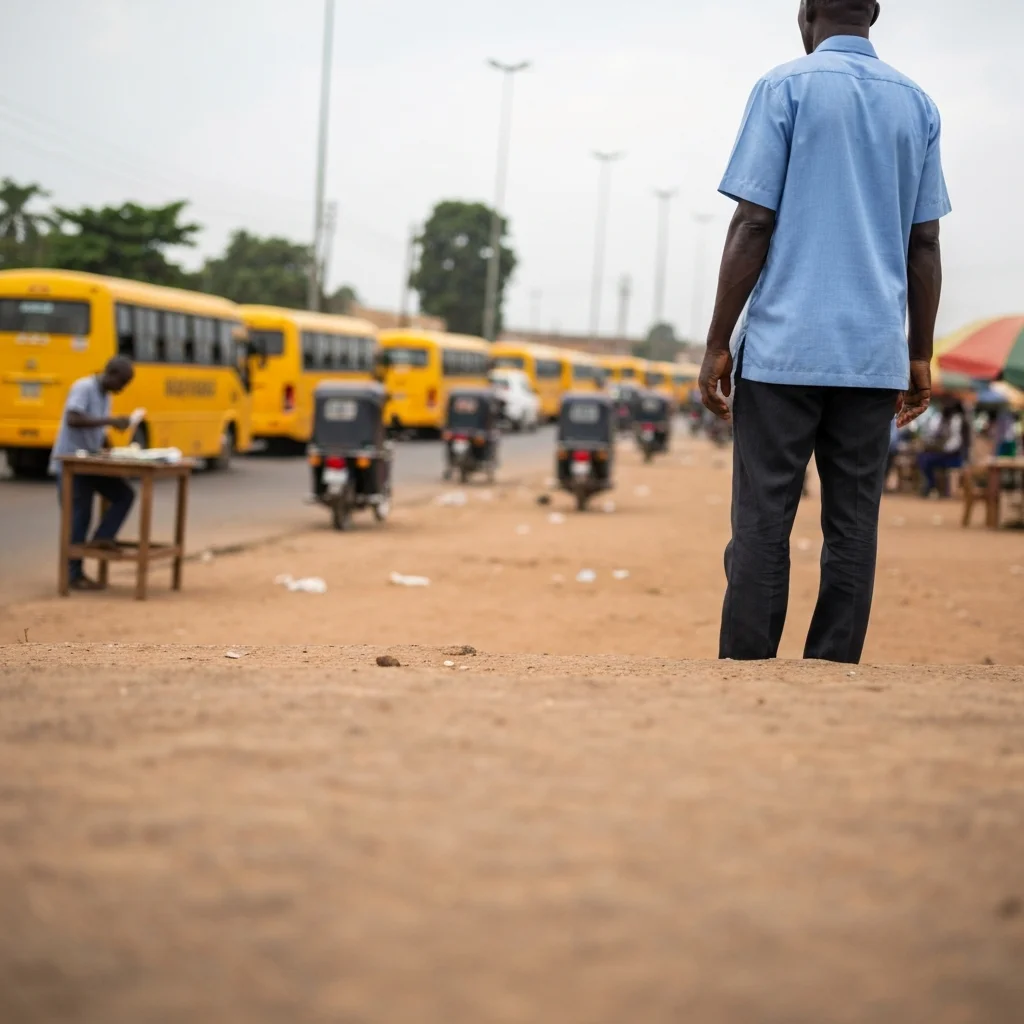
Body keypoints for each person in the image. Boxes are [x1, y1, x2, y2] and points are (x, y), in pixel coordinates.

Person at [698, 0, 950, 664]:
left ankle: (748, 667)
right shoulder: (917, 106)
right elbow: (924, 243)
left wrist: (717, 340)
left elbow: (753, 224)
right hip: (871, 359)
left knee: (761, 521)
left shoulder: (784, 87)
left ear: (806, 12)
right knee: (852, 526)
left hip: (782, 352)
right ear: (874, 13)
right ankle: (833, 668)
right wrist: (919, 355)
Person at [51, 357, 136, 591]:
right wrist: (110, 420)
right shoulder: (84, 387)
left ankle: (103, 537)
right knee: (79, 517)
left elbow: (98, 430)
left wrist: (111, 448)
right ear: (111, 373)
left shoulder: (105, 395)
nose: (122, 388)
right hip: (71, 463)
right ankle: (72, 575)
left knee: (123, 494)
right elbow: (73, 418)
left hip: (90, 460)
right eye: (122, 382)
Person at [917, 402, 968, 497]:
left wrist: (940, 448)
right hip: (942, 454)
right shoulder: (940, 419)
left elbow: (955, 443)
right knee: (922, 458)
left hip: (953, 456)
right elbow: (933, 435)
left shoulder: (957, 420)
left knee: (926, 459)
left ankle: (931, 486)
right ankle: (931, 485)